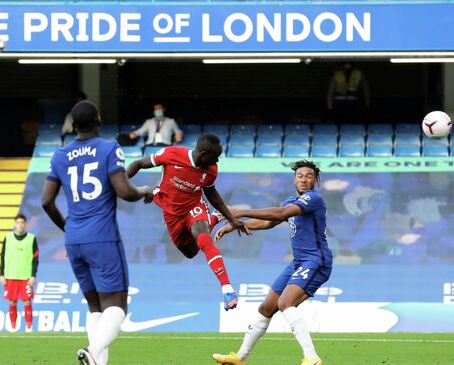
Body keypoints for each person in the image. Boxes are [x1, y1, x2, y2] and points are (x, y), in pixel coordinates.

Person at [42, 100, 153, 365]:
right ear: (99, 121)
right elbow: (125, 191)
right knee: (116, 307)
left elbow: (46, 201)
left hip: (74, 239)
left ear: (74, 125)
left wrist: (68, 228)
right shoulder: (108, 148)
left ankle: (96, 363)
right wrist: (145, 191)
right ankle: (92, 353)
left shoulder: (60, 155)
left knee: (95, 307)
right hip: (102, 238)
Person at [212, 160, 332, 365]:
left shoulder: (314, 199)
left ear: (316, 181)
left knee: (285, 303)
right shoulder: (291, 201)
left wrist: (240, 211)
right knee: (266, 308)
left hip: (316, 260)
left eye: (309, 176)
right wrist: (236, 224)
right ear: (294, 179)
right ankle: (240, 358)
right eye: (300, 176)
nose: (304, 179)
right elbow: (269, 222)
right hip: (298, 262)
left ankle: (312, 358)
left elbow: (282, 214)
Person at [127, 134, 250, 310]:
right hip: (171, 211)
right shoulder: (172, 154)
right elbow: (138, 164)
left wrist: (232, 219)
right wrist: (121, 183)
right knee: (190, 252)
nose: (217, 161)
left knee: (203, 237)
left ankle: (227, 289)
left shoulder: (211, 170)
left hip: (194, 207)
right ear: (204, 153)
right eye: (215, 157)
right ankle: (214, 218)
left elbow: (211, 194)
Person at [0, 213, 39, 332]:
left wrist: (33, 275)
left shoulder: (31, 238)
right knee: (12, 301)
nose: (20, 225)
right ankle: (13, 327)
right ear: (14, 224)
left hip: (25, 276)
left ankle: (28, 326)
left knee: (27, 301)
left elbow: (35, 258)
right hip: (11, 275)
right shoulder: (8, 238)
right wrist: (1, 274)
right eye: (18, 223)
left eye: (22, 223)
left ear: (25, 224)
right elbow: (2, 256)